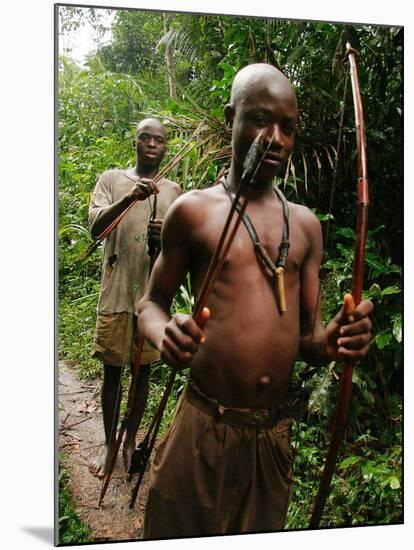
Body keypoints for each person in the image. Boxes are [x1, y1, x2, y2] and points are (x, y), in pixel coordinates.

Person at [137, 64, 373, 538]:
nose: (277, 138)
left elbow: (307, 339)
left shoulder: (305, 225)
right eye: (261, 120)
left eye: (289, 127)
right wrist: (166, 333)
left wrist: (333, 341)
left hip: (270, 439)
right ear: (232, 118)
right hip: (203, 427)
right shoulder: (195, 212)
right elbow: (150, 303)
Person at [88, 118, 181, 479]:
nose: (152, 144)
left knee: (142, 374)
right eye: (146, 137)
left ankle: (129, 442)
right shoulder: (112, 180)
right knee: (112, 373)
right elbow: (97, 230)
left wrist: (165, 238)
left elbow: (179, 250)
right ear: (136, 142)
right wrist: (130, 198)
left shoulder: (173, 191)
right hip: (115, 293)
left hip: (152, 301)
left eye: (159, 140)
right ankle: (110, 443)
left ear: (165, 148)